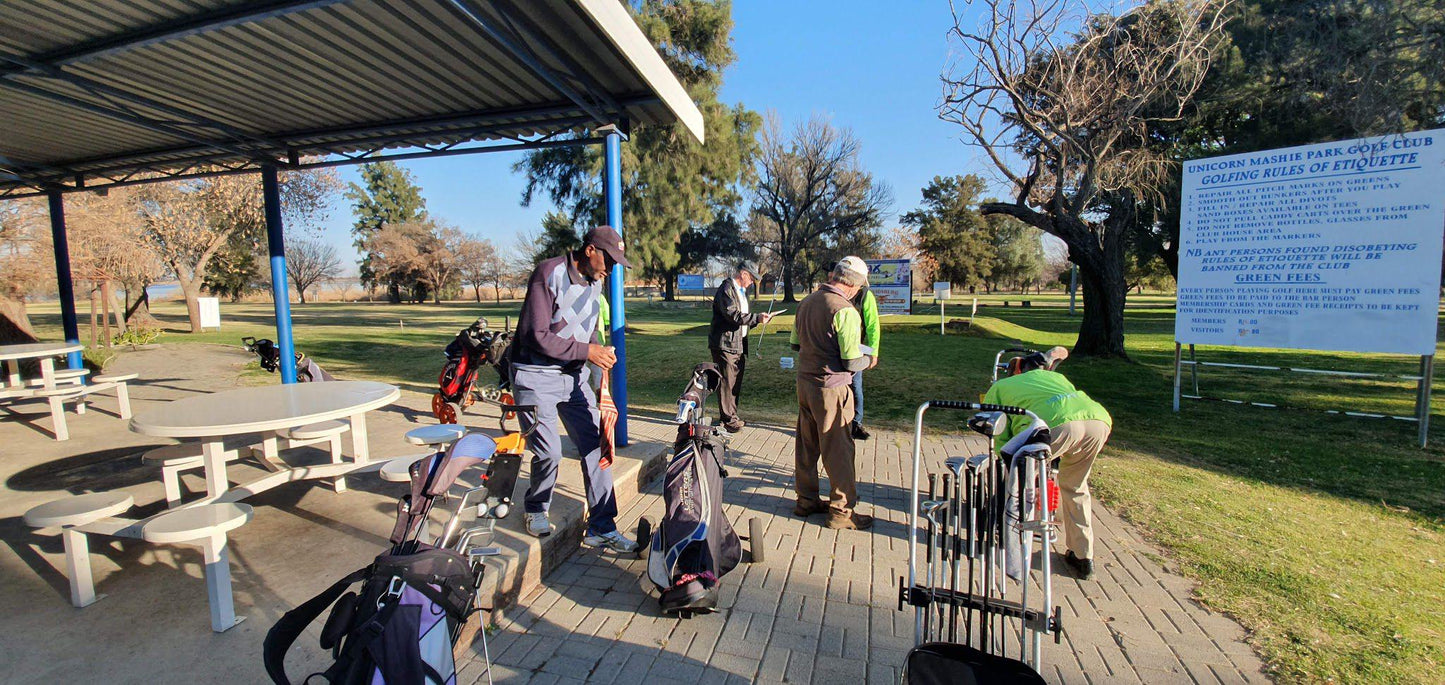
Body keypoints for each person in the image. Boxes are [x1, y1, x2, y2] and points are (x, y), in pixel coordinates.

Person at [511, 225, 638, 553]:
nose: (610, 268)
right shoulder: (548, 273)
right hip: (534, 375)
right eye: (607, 259)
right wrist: (587, 352)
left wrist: (598, 353)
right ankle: (536, 507)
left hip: (573, 377)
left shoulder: (596, 284)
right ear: (590, 250)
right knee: (549, 451)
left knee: (598, 447)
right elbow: (536, 335)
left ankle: (602, 527)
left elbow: (587, 331)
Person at [983, 346, 1112, 579]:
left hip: (1053, 425)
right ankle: (1083, 557)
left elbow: (999, 433)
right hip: (1097, 420)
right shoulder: (1055, 377)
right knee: (1075, 486)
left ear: (1013, 372)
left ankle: (1008, 535)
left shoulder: (1000, 387)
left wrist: (1007, 461)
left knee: (1018, 479)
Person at [789, 256, 875, 530]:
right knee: (838, 449)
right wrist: (869, 360)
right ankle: (841, 511)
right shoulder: (845, 310)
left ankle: (806, 500)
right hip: (831, 388)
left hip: (805, 384)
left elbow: (795, 345)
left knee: (806, 445)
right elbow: (851, 361)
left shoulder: (806, 302)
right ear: (855, 285)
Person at [707, 260, 776, 432]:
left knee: (735, 383)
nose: (753, 282)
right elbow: (733, 316)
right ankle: (728, 420)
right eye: (752, 278)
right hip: (725, 344)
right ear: (743, 274)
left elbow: (742, 321)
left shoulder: (741, 292)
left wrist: (758, 321)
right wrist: (756, 318)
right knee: (727, 383)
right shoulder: (726, 289)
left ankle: (732, 416)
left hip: (738, 344)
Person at [848, 285, 880, 440]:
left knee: (855, 385)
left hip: (855, 349)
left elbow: (873, 324)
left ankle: (856, 423)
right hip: (832, 350)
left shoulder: (865, 295)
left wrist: (873, 351)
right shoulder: (832, 291)